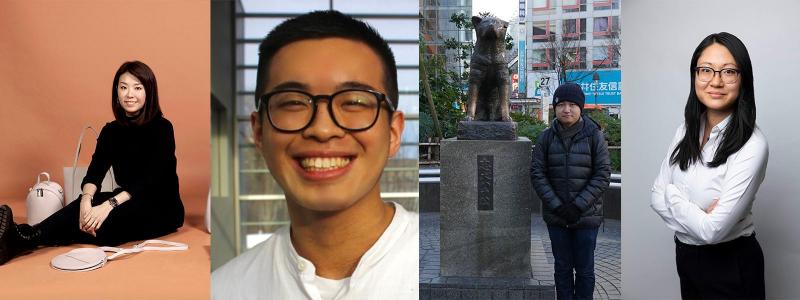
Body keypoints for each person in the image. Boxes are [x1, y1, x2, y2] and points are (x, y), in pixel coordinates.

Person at [211, 10, 417, 300]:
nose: (322, 129)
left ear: (393, 132)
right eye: (294, 103)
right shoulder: (222, 289)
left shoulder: (431, 261)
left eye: (355, 101)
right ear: (258, 132)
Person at [0, 61, 184, 264]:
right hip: (126, 199)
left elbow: (150, 180)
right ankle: (21, 237)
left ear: (149, 91)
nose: (129, 94)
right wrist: (87, 201)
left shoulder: (163, 128)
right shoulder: (111, 131)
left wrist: (108, 205)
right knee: (81, 207)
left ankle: (19, 238)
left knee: (106, 225)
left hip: (161, 206)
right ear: (116, 92)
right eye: (123, 87)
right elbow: (96, 171)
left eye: (137, 87)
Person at [650, 32, 768, 299]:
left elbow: (712, 232)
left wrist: (672, 195)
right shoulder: (686, 130)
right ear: (695, 76)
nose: (716, 81)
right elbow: (654, 197)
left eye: (728, 71)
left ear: (743, 78)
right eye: (706, 70)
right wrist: (699, 212)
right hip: (687, 259)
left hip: (730, 266)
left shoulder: (753, 145)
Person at [531, 82, 611, 300]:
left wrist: (578, 205)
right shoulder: (546, 138)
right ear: (555, 108)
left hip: (586, 217)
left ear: (580, 107)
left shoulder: (594, 136)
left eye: (572, 104)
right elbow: (537, 174)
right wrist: (557, 205)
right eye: (562, 104)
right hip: (557, 218)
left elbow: (602, 174)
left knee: (585, 270)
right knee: (562, 268)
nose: (567, 109)